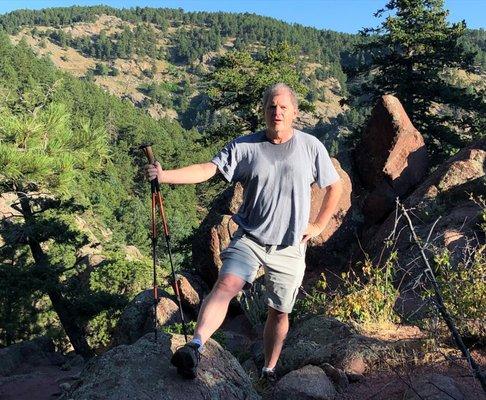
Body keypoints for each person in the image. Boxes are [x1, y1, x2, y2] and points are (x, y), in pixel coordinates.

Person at [146, 83, 343, 381]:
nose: (276, 112)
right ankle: (196, 346)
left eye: (282, 107)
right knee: (226, 284)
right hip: (250, 237)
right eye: (271, 107)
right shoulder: (245, 147)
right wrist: (165, 175)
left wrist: (318, 226)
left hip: (290, 245)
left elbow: (335, 187)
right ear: (263, 111)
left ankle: (268, 369)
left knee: (279, 311)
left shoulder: (310, 146)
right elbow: (207, 169)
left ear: (294, 112)